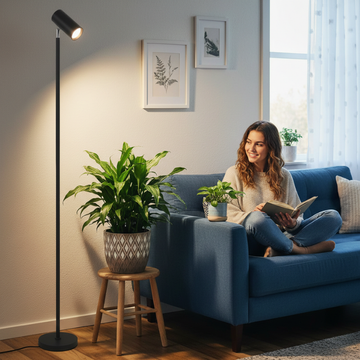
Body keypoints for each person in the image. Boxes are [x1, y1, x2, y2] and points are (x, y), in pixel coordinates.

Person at [223, 121, 342, 257]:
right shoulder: (234, 173)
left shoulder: (284, 175)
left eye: (259, 144)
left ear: (271, 148)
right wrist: (253, 214)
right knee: (257, 218)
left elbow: (297, 214)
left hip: (283, 233)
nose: (251, 148)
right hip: (254, 236)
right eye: (249, 142)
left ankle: (283, 247)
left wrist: (291, 224)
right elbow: (228, 212)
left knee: (334, 216)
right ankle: (302, 249)